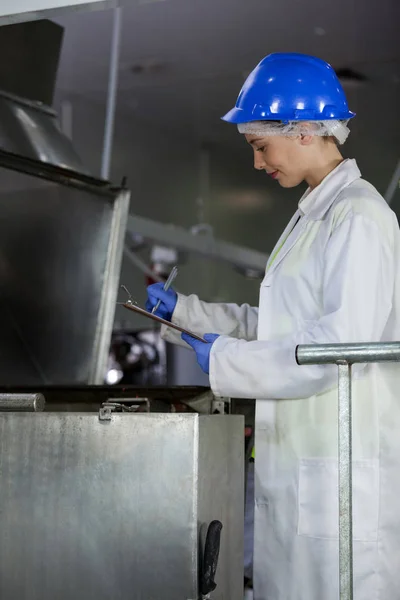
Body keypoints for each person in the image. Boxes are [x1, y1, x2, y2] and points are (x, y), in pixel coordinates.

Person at [146, 52, 400, 600]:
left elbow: (340, 347)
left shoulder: (358, 216)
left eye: (261, 146)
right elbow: (285, 327)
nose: (259, 165)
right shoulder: (315, 212)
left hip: (338, 477)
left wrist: (229, 360)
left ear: (305, 131)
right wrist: (185, 314)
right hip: (306, 466)